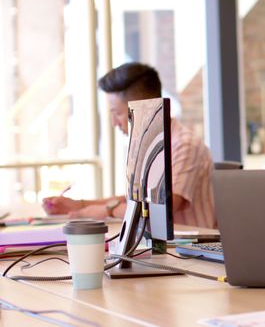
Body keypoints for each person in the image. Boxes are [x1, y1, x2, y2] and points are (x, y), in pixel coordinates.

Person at [42, 62, 216, 229]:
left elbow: (161, 210)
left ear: (143, 108)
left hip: (189, 252)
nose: (114, 122)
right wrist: (79, 206)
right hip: (163, 249)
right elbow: (136, 202)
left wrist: (104, 211)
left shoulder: (184, 144)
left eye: (117, 113)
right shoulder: (150, 144)